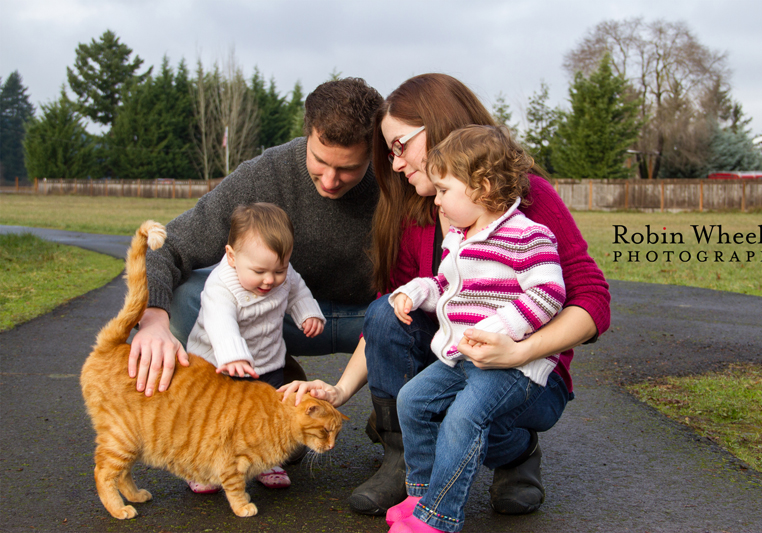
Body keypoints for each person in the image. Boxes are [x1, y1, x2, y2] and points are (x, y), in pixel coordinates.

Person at [280, 73, 611, 517]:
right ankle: (403, 461)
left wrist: (518, 350)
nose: (395, 164)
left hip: (526, 373)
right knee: (387, 311)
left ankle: (515, 452)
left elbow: (591, 297)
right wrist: (340, 389)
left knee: (468, 417)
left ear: (438, 130)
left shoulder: (525, 202)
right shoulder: (418, 210)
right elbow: (386, 323)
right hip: (455, 361)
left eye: (400, 146)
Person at [127, 77, 384, 398]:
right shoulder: (266, 174)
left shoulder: (398, 178)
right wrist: (152, 320)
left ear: (373, 150)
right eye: (320, 161)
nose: (331, 181)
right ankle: (258, 387)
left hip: (369, 318)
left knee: (422, 313)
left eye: (348, 168)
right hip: (278, 314)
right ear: (308, 135)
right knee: (186, 296)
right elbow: (170, 246)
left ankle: (397, 413)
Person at [386, 125, 565, 532]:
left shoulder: (527, 235)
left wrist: (498, 329)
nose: (438, 200)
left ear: (482, 187)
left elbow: (549, 293)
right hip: (463, 356)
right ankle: (421, 495)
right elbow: (447, 289)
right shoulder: (459, 240)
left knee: (463, 418)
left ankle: (438, 517)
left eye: (445, 190)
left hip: (510, 366)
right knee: (412, 399)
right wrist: (416, 292)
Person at [184, 202, 326, 493]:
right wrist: (233, 354)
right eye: (260, 271)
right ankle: (203, 465)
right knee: (215, 418)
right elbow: (219, 320)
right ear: (232, 256)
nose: (270, 280)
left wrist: (307, 312)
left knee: (265, 413)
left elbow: (297, 290)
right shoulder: (221, 285)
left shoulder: (280, 274)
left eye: (279, 269)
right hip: (217, 364)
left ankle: (264, 459)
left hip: (267, 361)